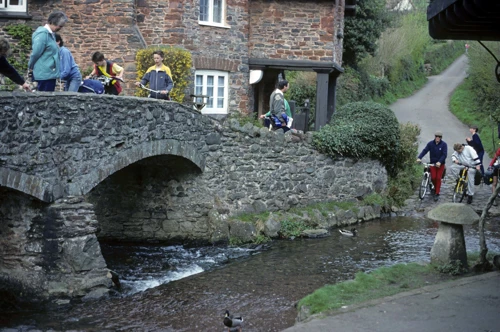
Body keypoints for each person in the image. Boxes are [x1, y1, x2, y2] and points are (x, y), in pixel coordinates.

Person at [28, 11, 68, 92]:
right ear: (53, 22)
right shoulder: (42, 35)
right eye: (60, 26)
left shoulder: (51, 34)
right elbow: (35, 53)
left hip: (49, 74)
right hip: (44, 75)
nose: (60, 28)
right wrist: (30, 66)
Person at [416, 131, 447, 201]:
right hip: (432, 163)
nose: (437, 138)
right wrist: (419, 158)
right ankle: (434, 187)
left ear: (441, 138)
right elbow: (425, 150)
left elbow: (444, 154)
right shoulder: (430, 143)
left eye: (439, 137)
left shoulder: (444, 145)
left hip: (440, 164)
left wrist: (439, 162)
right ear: (435, 137)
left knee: (438, 178)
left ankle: (437, 193)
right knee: (433, 177)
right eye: (436, 136)